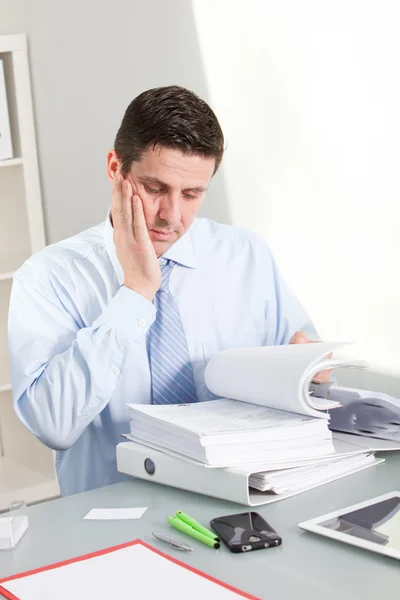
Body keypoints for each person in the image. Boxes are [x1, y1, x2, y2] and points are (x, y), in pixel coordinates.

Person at [8, 86, 324, 497]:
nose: (171, 216)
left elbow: (298, 364)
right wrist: (135, 293)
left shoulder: (246, 256)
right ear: (115, 168)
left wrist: (309, 372)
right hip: (111, 520)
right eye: (155, 188)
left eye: (192, 194)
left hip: (237, 502)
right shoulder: (49, 276)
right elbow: (53, 425)